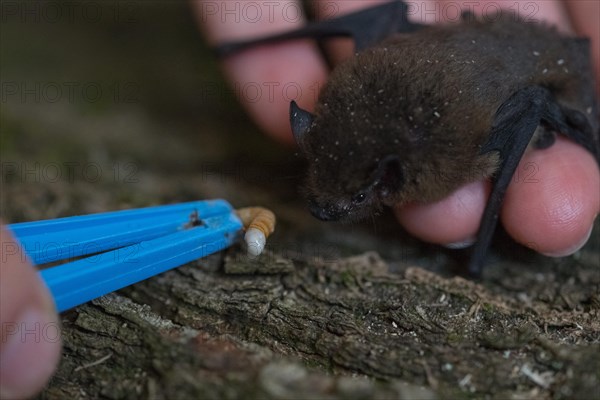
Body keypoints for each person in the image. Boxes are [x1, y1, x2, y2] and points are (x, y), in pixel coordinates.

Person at [1, 1, 598, 398]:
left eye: (356, 195)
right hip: (463, 57)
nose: (327, 206)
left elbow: (507, 106)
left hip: (526, 76)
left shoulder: (458, 146)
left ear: (391, 179)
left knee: (548, 203)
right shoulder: (362, 86)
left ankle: (479, 249)